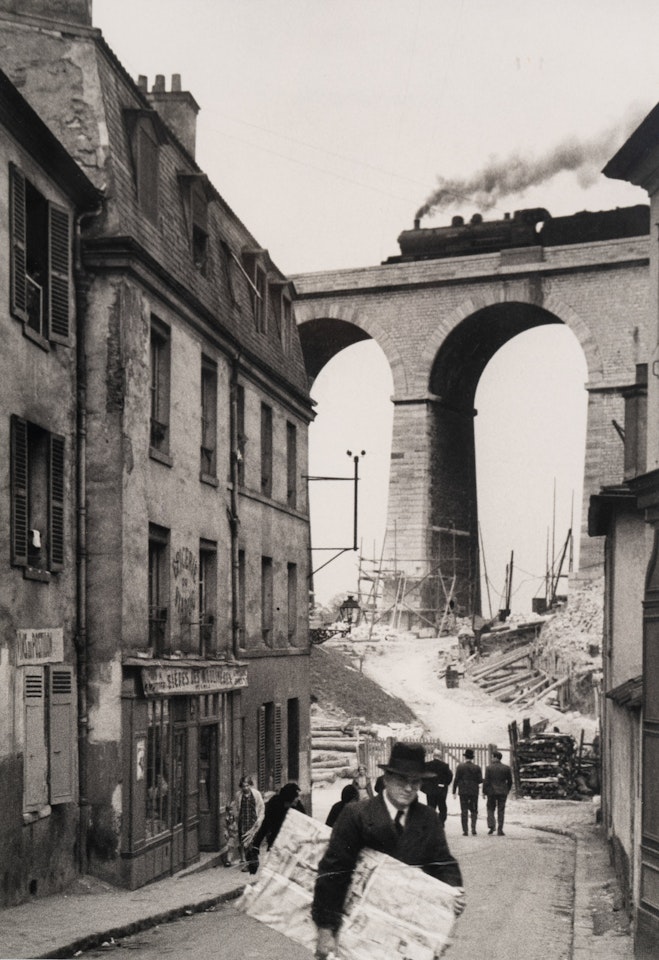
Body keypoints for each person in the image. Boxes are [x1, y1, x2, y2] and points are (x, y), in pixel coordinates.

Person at [312, 742, 465, 959]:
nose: (409, 788)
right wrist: (326, 929)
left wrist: (454, 889)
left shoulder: (428, 818)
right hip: (360, 931)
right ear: (387, 779)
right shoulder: (357, 815)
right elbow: (334, 872)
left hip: (409, 932)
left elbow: (443, 863)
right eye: (403, 780)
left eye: (415, 781)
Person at [252, 781, 306, 855]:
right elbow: (265, 825)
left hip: (293, 844)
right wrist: (256, 845)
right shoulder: (274, 804)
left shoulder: (298, 806)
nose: (298, 799)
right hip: (276, 843)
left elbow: (306, 823)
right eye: (296, 797)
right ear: (289, 798)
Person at [235, 775, 265, 874]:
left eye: (247, 786)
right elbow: (237, 808)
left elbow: (261, 808)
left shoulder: (256, 794)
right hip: (243, 822)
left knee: (252, 843)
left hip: (253, 822)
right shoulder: (238, 795)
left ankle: (252, 863)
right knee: (245, 843)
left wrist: (260, 819)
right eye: (243, 786)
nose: (245, 788)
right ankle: (251, 862)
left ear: (250, 785)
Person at [452, 748, 483, 836]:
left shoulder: (460, 766)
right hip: (473, 791)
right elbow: (480, 780)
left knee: (464, 810)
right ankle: (473, 829)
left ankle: (465, 830)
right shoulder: (477, 767)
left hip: (463, 791)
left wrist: (454, 791)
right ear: (472, 758)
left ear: (465, 757)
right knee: (474, 809)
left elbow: (456, 779)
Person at [483, 750, 513, 836]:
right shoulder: (506, 768)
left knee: (490, 809)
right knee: (501, 810)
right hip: (503, 792)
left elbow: (486, 781)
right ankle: (500, 829)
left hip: (491, 792)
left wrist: (484, 792)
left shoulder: (489, 768)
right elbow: (510, 781)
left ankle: (492, 826)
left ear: (496, 757)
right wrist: (507, 790)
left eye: (492, 757)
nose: (491, 758)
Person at [421, 747, 453, 824]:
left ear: (433, 756)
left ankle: (431, 824)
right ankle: (441, 823)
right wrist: (445, 784)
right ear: (440, 756)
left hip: (430, 790)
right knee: (442, 807)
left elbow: (422, 777)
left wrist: (425, 788)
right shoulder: (445, 766)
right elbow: (450, 776)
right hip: (441, 790)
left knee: (431, 807)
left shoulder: (427, 765)